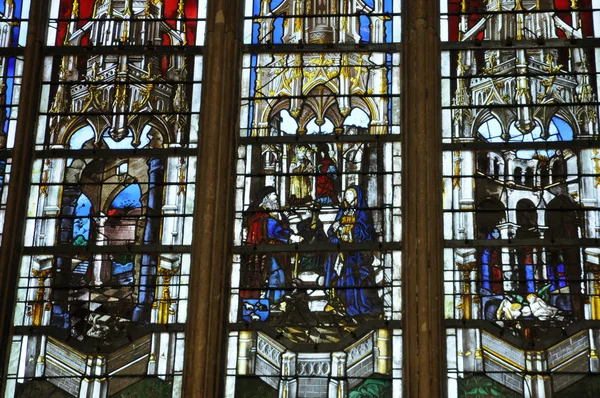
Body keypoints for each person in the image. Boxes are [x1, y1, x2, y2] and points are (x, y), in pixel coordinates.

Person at [324, 186, 382, 317]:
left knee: (358, 279)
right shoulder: (343, 212)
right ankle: (344, 305)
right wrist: (336, 228)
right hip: (343, 253)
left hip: (357, 255)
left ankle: (361, 307)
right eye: (346, 194)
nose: (347, 197)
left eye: (350, 194)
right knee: (343, 278)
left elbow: (366, 232)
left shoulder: (361, 213)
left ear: (357, 197)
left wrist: (351, 230)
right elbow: (331, 232)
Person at [242, 186, 303, 307]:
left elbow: (278, 226)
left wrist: (283, 218)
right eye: (274, 199)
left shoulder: (271, 214)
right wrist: (292, 237)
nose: (276, 201)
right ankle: (273, 300)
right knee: (275, 274)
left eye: (276, 199)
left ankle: (278, 299)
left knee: (279, 274)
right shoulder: (262, 216)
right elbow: (273, 230)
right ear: (266, 200)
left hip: (276, 251)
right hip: (266, 253)